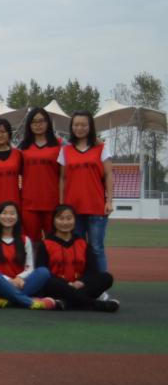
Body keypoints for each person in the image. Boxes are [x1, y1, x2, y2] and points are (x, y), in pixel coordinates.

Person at [37, 204, 119, 312]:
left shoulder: (82, 243)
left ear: (75, 220)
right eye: (61, 218)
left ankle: (65, 303)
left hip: (80, 286)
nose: (65, 222)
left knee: (106, 278)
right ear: (54, 220)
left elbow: (92, 270)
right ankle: (95, 304)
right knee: (49, 282)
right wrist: (67, 284)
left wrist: (81, 282)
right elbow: (42, 271)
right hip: (57, 287)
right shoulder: (45, 244)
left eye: (69, 218)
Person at [59, 111, 113, 272]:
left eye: (83, 125)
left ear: (90, 127)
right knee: (78, 248)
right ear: (71, 127)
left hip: (96, 207)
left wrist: (109, 201)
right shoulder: (65, 150)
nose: (79, 128)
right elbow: (62, 178)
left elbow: (109, 175)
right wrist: (61, 204)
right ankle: (82, 281)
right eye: (76, 124)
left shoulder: (101, 148)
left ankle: (101, 283)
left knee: (96, 248)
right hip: (72, 209)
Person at [0, 201, 57, 310]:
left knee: (43, 272)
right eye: (4, 213)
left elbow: (30, 268)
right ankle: (29, 302)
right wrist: (9, 281)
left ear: (17, 217)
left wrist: (19, 278)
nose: (8, 216)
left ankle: (6, 300)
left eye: (12, 213)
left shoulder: (25, 240)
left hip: (21, 283)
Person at [18, 107, 63, 241]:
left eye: (41, 121)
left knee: (54, 242)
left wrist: (94, 142)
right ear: (29, 125)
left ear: (48, 122)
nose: (38, 125)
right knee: (30, 243)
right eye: (34, 122)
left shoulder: (59, 144)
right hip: (29, 204)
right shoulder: (22, 147)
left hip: (52, 203)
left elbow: (65, 175)